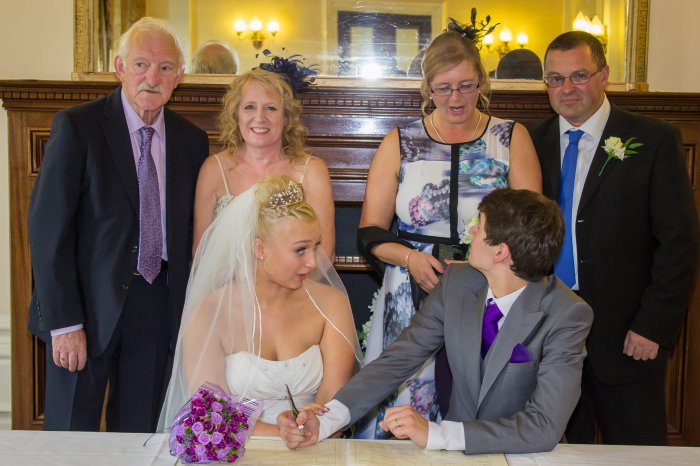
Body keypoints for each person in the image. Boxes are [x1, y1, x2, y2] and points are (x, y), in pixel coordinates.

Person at [278, 188, 593, 454]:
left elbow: (544, 426)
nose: (471, 232)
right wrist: (327, 419)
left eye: (479, 227)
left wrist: (438, 434)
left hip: (526, 457)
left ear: (500, 252)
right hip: (456, 459)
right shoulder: (457, 281)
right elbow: (398, 359)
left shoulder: (567, 314)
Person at [355, 18, 542, 438]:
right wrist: (410, 258)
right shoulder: (400, 143)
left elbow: (532, 228)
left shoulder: (510, 138)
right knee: (402, 409)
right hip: (411, 291)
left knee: (479, 412)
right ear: (427, 89)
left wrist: (484, 266)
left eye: (465, 85)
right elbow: (369, 233)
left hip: (490, 294)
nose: (455, 98)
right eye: (443, 87)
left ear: (482, 83)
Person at [27, 17, 209, 432]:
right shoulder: (78, 127)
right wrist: (65, 323)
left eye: (165, 67)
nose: (152, 77)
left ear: (179, 77)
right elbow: (47, 231)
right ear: (120, 67)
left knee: (139, 438)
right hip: (84, 308)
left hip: (156, 308)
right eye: (142, 64)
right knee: (71, 439)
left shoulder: (191, 141)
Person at [528, 31, 699, 445]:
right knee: (557, 454)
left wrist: (653, 326)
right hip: (546, 335)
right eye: (555, 79)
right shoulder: (530, 142)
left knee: (638, 451)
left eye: (579, 75)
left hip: (627, 336)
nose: (567, 88)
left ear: (604, 75)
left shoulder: (653, 140)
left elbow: (678, 243)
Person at [159, 175, 361, 436]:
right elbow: (212, 414)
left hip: (315, 445)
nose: (313, 262)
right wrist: (284, 434)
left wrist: (311, 429)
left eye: (316, 247)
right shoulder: (210, 314)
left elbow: (333, 405)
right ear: (260, 248)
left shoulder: (332, 304)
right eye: (300, 250)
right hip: (240, 448)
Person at [193, 67, 335, 259]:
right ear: (236, 115)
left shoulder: (312, 171)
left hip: (299, 278)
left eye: (271, 108)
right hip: (228, 279)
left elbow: (325, 252)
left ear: (286, 118)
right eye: (249, 107)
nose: (259, 118)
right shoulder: (213, 169)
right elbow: (201, 252)